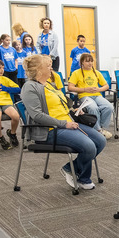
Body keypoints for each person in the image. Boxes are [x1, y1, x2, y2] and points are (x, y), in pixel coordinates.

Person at [20, 54, 105, 190]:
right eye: (48, 66)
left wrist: (74, 110)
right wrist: (64, 124)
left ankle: (69, 168)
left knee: (101, 141)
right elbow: (37, 115)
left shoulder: (49, 84)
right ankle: (83, 178)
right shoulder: (29, 87)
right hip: (49, 130)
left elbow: (61, 104)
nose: (51, 68)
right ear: (39, 69)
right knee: (89, 146)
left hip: (68, 123)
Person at [67, 53, 114, 139]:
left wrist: (99, 89)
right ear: (82, 62)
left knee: (109, 107)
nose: (90, 63)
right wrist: (85, 89)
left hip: (97, 95)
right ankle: (98, 131)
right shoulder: (76, 73)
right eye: (87, 61)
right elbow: (70, 88)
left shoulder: (96, 73)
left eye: (91, 61)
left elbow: (106, 86)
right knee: (93, 108)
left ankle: (101, 128)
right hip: (84, 96)